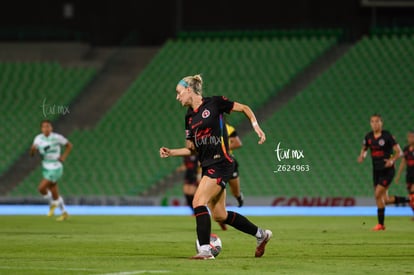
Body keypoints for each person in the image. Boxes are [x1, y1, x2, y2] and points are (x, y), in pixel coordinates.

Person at [160, 74, 272, 259]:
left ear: (189, 90)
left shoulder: (215, 103)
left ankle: (205, 250)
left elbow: (244, 108)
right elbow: (193, 150)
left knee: (198, 202)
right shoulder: (189, 117)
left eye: (179, 92)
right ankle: (261, 235)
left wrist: (256, 126)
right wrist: (172, 152)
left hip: (221, 163)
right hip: (208, 165)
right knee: (220, 215)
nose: (177, 97)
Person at [357, 114, 408, 231]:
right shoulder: (369, 137)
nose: (375, 124)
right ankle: (381, 224)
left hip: (388, 170)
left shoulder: (387, 136)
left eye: (377, 121)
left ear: (381, 123)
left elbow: (399, 152)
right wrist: (362, 156)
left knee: (377, 194)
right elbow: (364, 149)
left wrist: (392, 160)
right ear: (370, 124)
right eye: (373, 122)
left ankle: (381, 224)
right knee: (384, 199)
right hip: (376, 171)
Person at [30, 120, 72, 221]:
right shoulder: (38, 138)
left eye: (48, 126)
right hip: (46, 166)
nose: (46, 128)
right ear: (41, 129)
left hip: (56, 166)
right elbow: (32, 154)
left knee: (41, 188)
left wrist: (63, 157)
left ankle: (53, 203)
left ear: (51, 128)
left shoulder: (57, 137)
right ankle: (64, 212)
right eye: (44, 127)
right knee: (54, 191)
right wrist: (32, 149)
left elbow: (69, 145)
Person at [395, 130, 414, 217]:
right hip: (409, 175)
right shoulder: (406, 149)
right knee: (410, 195)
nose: (410, 138)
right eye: (409, 137)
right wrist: (398, 175)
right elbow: (403, 162)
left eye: (412, 137)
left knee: (413, 192)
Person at [226, 123, 244, 207]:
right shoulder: (207, 129)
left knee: (235, 191)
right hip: (214, 161)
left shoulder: (228, 128)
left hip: (228, 161)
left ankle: (239, 197)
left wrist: (222, 148)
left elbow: (238, 143)